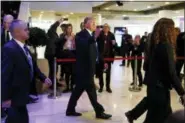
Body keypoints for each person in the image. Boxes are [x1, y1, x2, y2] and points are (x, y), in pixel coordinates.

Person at [125, 18, 185, 123]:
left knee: (163, 116)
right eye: (172, 28)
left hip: (154, 86)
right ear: (167, 30)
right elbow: (171, 73)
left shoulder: (154, 44)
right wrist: (182, 92)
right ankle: (132, 114)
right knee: (156, 118)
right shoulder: (166, 46)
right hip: (159, 89)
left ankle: (132, 114)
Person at [1, 20, 52, 123]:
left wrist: (43, 78)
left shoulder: (24, 47)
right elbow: (5, 75)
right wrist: (5, 98)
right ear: (17, 32)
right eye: (26, 29)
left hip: (23, 94)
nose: (28, 31)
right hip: (15, 95)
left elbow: (32, 66)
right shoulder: (9, 49)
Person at [66, 17, 112, 119]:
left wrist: (102, 61)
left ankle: (70, 110)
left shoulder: (90, 35)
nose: (95, 25)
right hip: (84, 70)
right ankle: (99, 112)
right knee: (91, 92)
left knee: (77, 90)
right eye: (93, 23)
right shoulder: (81, 35)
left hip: (88, 69)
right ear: (86, 24)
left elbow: (95, 51)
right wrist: (94, 37)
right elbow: (84, 44)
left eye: (95, 23)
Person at [96, 23, 117, 93]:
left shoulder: (111, 35)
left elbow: (114, 44)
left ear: (109, 28)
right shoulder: (100, 34)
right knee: (100, 73)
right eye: (104, 27)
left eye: (107, 27)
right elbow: (96, 39)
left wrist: (114, 44)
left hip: (108, 57)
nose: (105, 28)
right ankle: (101, 86)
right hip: (101, 56)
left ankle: (108, 87)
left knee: (108, 73)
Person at [45, 18, 63, 89]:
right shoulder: (51, 31)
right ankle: (52, 84)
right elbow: (53, 26)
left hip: (54, 54)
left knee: (55, 69)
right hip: (51, 54)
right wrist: (58, 22)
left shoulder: (53, 33)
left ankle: (54, 82)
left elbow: (57, 42)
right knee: (53, 69)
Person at [57, 24, 76, 92]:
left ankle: (72, 87)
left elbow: (75, 47)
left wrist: (73, 40)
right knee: (67, 73)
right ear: (66, 29)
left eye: (70, 28)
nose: (69, 30)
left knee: (73, 73)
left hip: (73, 56)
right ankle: (67, 87)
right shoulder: (62, 36)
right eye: (68, 28)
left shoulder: (74, 36)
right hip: (65, 56)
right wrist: (66, 39)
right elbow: (60, 45)